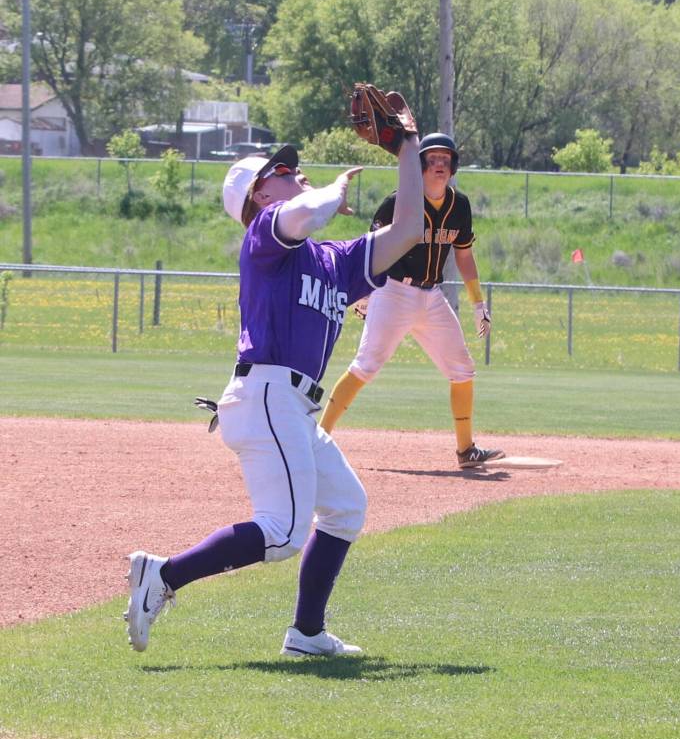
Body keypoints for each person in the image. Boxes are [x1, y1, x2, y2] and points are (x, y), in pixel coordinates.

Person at [125, 126, 424, 657]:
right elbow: (307, 213)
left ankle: (306, 634)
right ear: (259, 197)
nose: (296, 172)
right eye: (283, 172)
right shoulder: (264, 236)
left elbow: (408, 232)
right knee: (283, 533)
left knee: (346, 508)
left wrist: (408, 150)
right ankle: (163, 575)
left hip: (294, 407)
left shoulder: (332, 261)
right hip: (268, 393)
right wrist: (333, 188)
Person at [319, 133, 505, 471]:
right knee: (366, 365)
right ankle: (318, 439)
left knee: (462, 369)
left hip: (432, 296)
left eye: (445, 159)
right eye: (432, 159)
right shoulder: (398, 203)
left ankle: (466, 451)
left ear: (453, 166)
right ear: (419, 167)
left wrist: (478, 303)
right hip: (393, 291)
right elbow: (370, 248)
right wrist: (364, 292)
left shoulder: (459, 206)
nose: (439, 165)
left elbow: (464, 256)